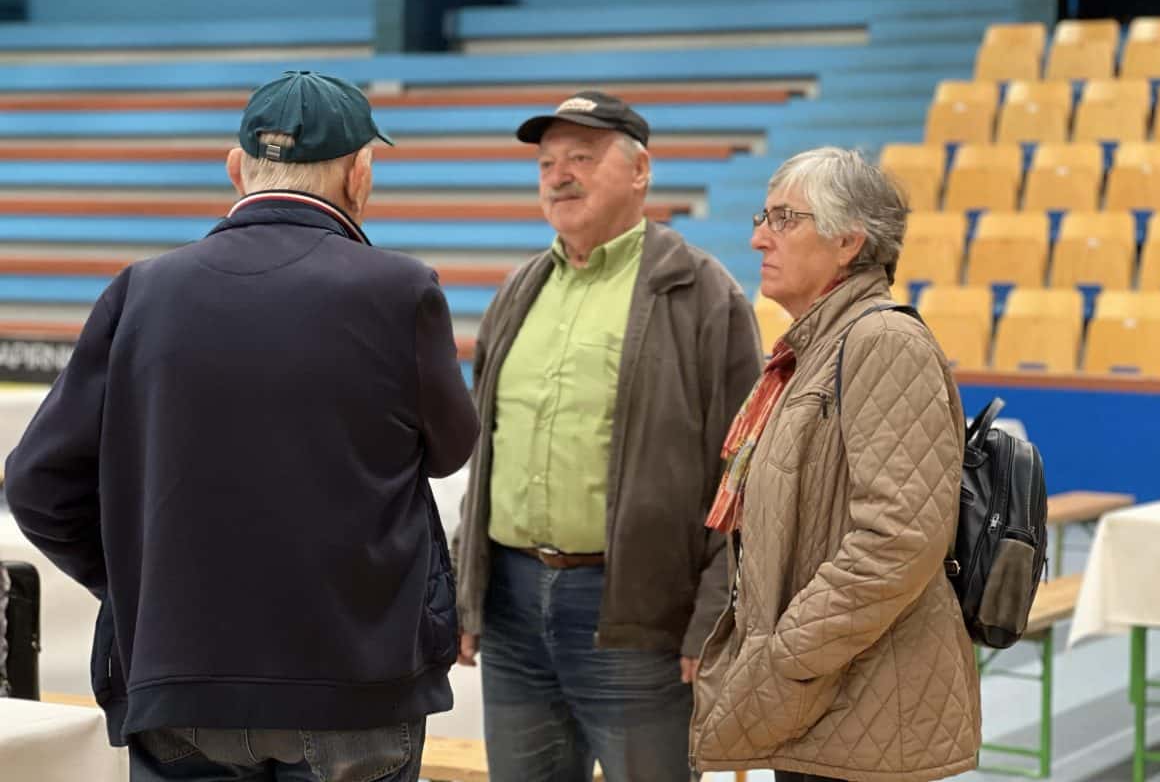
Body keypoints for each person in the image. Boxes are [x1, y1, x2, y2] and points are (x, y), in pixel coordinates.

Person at [4, 71, 479, 782]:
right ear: (359, 175)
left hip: (181, 678)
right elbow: (451, 449)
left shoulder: (141, 290)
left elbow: (36, 485)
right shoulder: (401, 290)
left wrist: (137, 582)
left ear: (237, 169)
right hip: (355, 682)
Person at [453, 90, 762, 782]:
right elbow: (491, 454)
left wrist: (716, 613)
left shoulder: (704, 295)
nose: (559, 176)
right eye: (547, 163)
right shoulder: (519, 291)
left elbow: (750, 475)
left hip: (640, 618)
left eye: (583, 158)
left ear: (640, 171)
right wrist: (468, 591)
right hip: (512, 608)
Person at [690, 148, 982, 782]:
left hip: (857, 697)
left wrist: (789, 656)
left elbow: (900, 539)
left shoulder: (882, 341)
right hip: (830, 696)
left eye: (784, 219)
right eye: (763, 217)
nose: (758, 237)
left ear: (848, 241)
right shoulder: (819, 346)